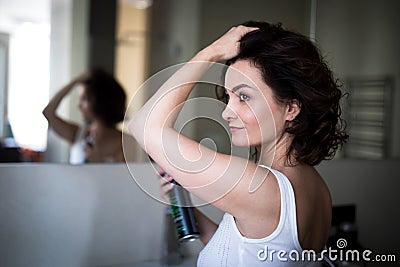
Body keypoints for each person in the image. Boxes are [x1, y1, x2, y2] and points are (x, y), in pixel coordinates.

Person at [129, 21, 348, 266]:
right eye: (229, 97)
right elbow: (243, 253)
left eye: (244, 97)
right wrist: (187, 209)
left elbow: (143, 126)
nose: (226, 112)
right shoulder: (315, 187)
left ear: (291, 108)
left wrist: (209, 53)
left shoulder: (261, 188)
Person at [43, 68, 136, 163]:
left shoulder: (126, 143)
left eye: (84, 99)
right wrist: (75, 81)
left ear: (100, 100)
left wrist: (99, 162)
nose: (79, 105)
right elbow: (48, 113)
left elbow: (122, 177)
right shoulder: (78, 135)